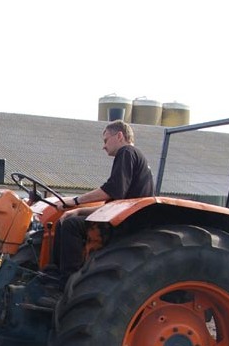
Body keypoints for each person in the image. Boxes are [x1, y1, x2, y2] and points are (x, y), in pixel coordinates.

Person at [49, 119, 154, 285]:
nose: (103, 146)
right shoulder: (135, 157)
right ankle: (55, 273)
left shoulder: (126, 152)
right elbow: (113, 205)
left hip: (127, 225)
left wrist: (75, 201)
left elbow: (112, 189)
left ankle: (66, 283)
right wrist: (79, 211)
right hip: (125, 218)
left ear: (119, 136)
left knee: (70, 226)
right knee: (67, 220)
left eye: (105, 140)